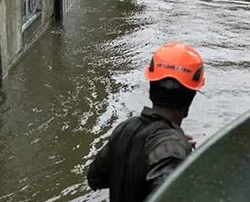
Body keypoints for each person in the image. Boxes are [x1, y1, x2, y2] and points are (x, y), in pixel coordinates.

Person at [85, 42, 206, 202]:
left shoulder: (125, 129)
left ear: (152, 86)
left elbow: (95, 178)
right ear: (190, 96)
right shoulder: (172, 146)